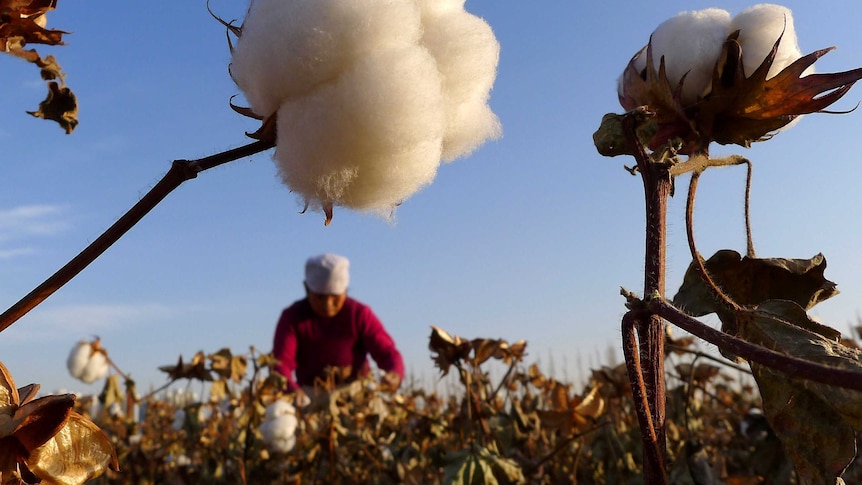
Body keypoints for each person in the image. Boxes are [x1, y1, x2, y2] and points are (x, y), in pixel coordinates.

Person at [271, 253, 405, 396]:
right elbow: (281, 362)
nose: (328, 304)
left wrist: (394, 373)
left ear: (345, 291)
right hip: (311, 396)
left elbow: (386, 351)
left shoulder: (358, 314)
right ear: (307, 289)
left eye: (335, 297)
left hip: (356, 394)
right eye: (320, 297)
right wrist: (292, 391)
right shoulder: (293, 317)